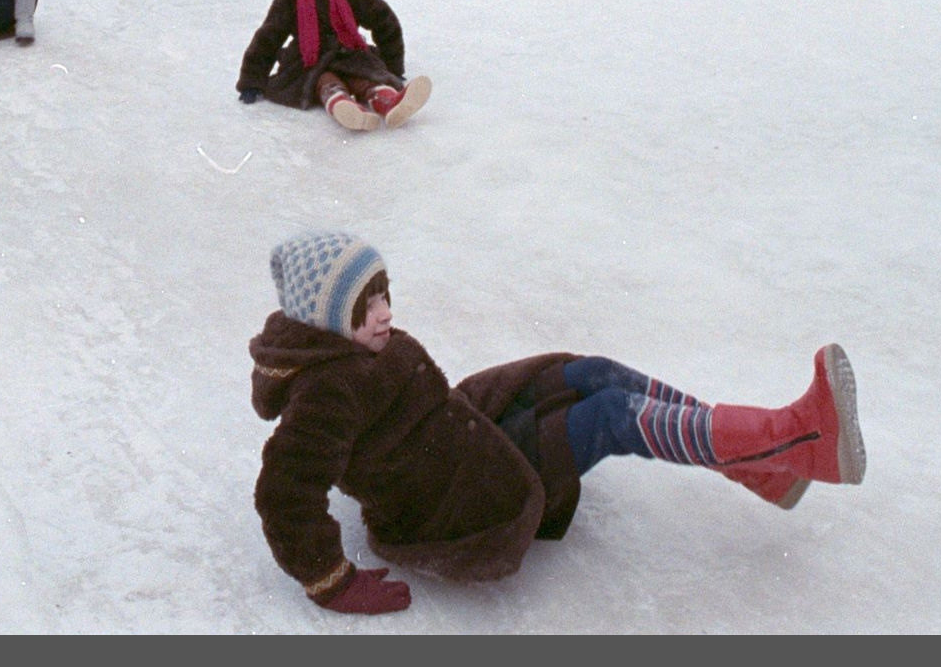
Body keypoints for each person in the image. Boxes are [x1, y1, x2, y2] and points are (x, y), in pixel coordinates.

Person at [250, 232, 867, 615]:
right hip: (454, 500)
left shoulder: (360, 348)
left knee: (592, 372)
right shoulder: (325, 394)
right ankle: (798, 441)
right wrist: (331, 581)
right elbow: (284, 492)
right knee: (608, 418)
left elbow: (429, 402)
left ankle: (761, 469)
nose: (385, 313)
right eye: (367, 306)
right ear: (329, 321)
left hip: (461, 436)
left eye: (384, 294)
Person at [236, 0, 427, 131]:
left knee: (364, 76)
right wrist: (251, 80)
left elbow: (384, 21)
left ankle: (388, 100)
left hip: (349, 54)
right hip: (307, 61)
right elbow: (268, 36)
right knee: (325, 80)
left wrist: (393, 66)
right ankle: (342, 106)